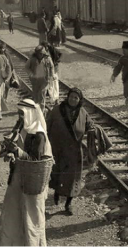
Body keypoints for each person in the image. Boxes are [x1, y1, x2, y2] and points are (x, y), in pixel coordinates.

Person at [0, 99, 53, 247]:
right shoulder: (23, 127)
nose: (20, 117)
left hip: (32, 181)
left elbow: (35, 160)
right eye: (19, 113)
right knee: (13, 212)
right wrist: (10, 153)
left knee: (32, 216)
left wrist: (17, 151)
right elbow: (20, 151)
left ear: (30, 113)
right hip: (19, 177)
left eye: (22, 114)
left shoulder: (39, 135)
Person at [47, 88, 94, 216]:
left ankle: (68, 204)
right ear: (67, 97)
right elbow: (47, 124)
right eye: (71, 97)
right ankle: (57, 193)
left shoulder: (83, 113)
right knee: (57, 173)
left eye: (76, 98)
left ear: (79, 100)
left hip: (74, 151)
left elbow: (90, 125)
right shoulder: (57, 110)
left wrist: (92, 130)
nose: (73, 99)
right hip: (57, 148)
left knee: (73, 178)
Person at [25, 45, 55, 111]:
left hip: (44, 80)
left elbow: (52, 67)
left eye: (41, 53)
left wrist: (52, 75)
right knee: (36, 95)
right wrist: (31, 74)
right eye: (38, 53)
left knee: (42, 94)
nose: (40, 55)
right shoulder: (32, 59)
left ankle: (41, 110)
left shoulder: (47, 58)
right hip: (35, 80)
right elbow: (26, 67)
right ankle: (36, 108)